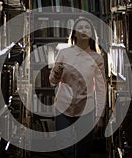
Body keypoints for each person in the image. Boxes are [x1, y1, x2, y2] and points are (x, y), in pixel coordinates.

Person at [49, 16, 107, 158]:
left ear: (91, 33)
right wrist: (56, 73)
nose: (83, 30)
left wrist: (100, 116)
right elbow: (52, 82)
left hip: (86, 110)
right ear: (74, 33)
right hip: (63, 107)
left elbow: (101, 90)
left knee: (83, 151)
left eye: (87, 27)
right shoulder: (64, 53)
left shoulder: (97, 58)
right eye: (80, 27)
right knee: (65, 150)